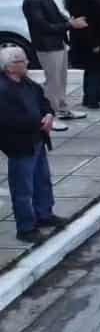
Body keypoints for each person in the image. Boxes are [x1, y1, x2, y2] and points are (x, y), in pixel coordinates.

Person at [0, 47, 64, 244]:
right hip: (20, 145)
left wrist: (48, 114)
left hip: (37, 140)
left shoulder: (28, 83)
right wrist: (39, 122)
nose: (27, 63)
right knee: (23, 188)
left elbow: (43, 101)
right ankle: (26, 227)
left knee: (41, 181)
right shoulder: (3, 90)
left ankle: (44, 214)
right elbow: (8, 120)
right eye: (22, 61)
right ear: (10, 67)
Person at [22, 0, 87, 128]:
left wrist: (69, 22)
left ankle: (63, 109)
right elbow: (42, 26)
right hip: (46, 45)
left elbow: (56, 16)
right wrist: (70, 26)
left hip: (58, 42)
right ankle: (49, 115)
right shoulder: (33, 0)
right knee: (52, 81)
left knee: (61, 79)